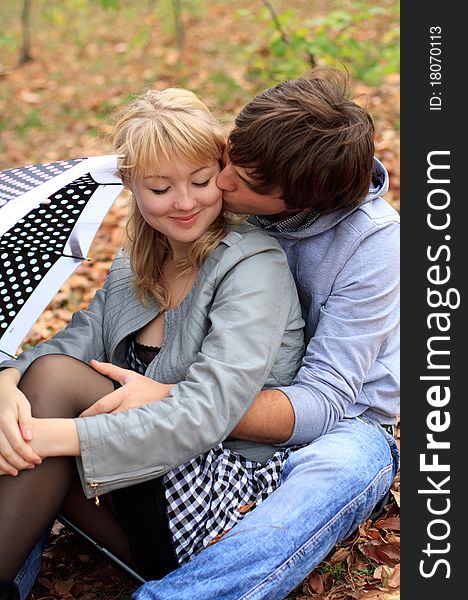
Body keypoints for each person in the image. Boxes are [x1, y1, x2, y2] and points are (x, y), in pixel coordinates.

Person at [85, 66, 399, 600]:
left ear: (301, 204)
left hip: (334, 419)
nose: (221, 182)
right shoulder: (239, 180)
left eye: (246, 183)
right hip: (210, 389)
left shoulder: (373, 246)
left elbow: (325, 401)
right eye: (232, 155)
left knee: (346, 468)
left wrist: (175, 400)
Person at [0, 87, 305, 600]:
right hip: (132, 482)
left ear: (220, 170)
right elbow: (78, 339)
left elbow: (206, 413)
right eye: (161, 189)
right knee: (35, 384)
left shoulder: (254, 265)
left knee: (47, 390)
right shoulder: (137, 260)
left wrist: (45, 437)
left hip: (214, 493)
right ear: (132, 187)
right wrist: (7, 381)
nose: (185, 203)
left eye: (202, 181)